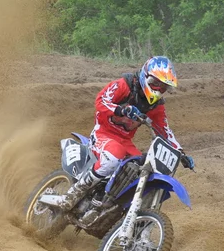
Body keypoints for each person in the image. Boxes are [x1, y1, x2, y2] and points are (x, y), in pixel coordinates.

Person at [55, 56, 195, 212]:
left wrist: (180, 153)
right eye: (155, 83)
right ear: (145, 76)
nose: (158, 89)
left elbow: (164, 131)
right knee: (113, 157)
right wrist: (119, 109)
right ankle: (75, 192)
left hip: (125, 141)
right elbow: (101, 100)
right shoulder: (125, 85)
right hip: (103, 133)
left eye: (163, 87)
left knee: (143, 170)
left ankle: (114, 208)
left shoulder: (156, 106)